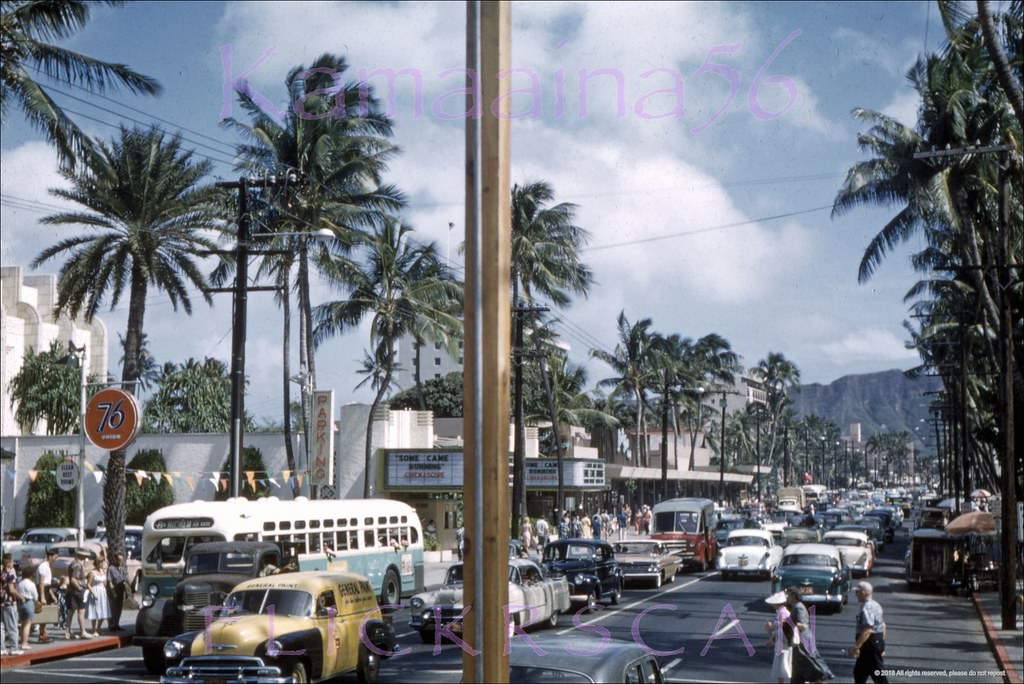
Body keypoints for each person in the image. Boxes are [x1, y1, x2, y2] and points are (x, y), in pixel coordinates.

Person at [785, 585, 833, 684]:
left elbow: (804, 626)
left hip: (803, 643)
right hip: (799, 644)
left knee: (812, 666)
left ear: (793, 596)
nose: (787, 598)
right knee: (799, 668)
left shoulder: (799, 607)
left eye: (788, 595)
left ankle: (822, 678)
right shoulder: (795, 607)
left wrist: (789, 624)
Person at [847, 581, 889, 684]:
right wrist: (882, 645)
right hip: (873, 644)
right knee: (859, 673)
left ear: (864, 593)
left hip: (870, 645)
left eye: (857, 592)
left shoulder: (867, 607)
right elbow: (883, 625)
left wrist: (856, 647)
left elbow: (867, 629)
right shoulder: (876, 605)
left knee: (878, 675)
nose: (856, 594)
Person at [765, 590, 796, 684]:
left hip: (783, 644)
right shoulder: (782, 612)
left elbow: (780, 628)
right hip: (782, 642)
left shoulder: (783, 613)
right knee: (783, 667)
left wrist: (770, 629)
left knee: (782, 668)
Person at [66, 549, 92, 639]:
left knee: (71, 611)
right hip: (77, 592)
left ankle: (68, 631)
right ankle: (83, 631)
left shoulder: (73, 563)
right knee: (81, 611)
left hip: (71, 591)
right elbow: (73, 579)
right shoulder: (78, 565)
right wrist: (80, 588)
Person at [1, 554, 23, 655]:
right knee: (12, 625)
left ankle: (2, 647)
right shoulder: (10, 574)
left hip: (1, 601)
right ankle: (14, 647)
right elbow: (11, 589)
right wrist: (21, 597)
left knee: (1, 626)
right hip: (9, 601)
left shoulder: (2, 573)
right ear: (9, 561)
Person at [85, 557, 111, 635]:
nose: (102, 564)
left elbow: (105, 583)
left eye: (103, 562)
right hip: (95, 590)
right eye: (100, 563)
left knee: (103, 610)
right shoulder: (92, 572)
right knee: (95, 611)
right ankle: (94, 629)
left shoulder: (103, 571)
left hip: (102, 591)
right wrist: (93, 593)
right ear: (97, 563)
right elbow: (88, 584)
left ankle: (99, 628)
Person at [35, 548, 56, 643]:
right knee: (43, 613)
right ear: (50, 556)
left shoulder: (48, 566)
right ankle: (42, 634)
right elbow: (41, 583)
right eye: (55, 557)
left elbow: (48, 584)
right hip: (43, 590)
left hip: (47, 590)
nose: (56, 559)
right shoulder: (43, 566)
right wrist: (42, 596)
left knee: (46, 613)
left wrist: (52, 595)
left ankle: (44, 633)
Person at [16, 566, 38, 651]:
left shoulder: (20, 583)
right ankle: (24, 643)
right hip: (29, 602)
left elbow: (17, 592)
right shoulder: (31, 584)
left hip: (20, 603)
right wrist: (37, 602)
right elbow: (35, 596)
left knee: (22, 624)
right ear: (31, 575)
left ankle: (22, 641)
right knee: (27, 624)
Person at [106, 552, 129, 632]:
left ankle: (116, 624)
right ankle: (111, 625)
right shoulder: (111, 568)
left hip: (120, 591)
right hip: (113, 591)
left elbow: (125, 581)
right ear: (115, 559)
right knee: (112, 608)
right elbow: (109, 582)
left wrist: (126, 592)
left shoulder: (122, 568)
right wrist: (113, 592)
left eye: (121, 560)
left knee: (118, 609)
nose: (120, 562)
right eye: (119, 560)